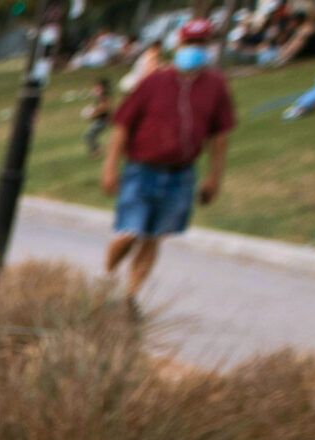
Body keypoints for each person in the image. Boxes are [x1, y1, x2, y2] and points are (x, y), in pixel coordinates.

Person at [102, 18, 236, 299]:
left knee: (153, 237)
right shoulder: (154, 81)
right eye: (190, 43)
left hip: (181, 173)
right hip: (143, 170)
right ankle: (108, 279)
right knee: (129, 231)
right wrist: (110, 167)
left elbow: (220, 136)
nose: (195, 49)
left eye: (201, 44)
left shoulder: (215, 86)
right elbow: (122, 125)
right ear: (179, 44)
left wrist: (214, 176)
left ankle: (130, 296)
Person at [83, 74, 116, 154]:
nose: (96, 88)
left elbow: (105, 108)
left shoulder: (104, 96)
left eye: (98, 86)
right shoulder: (101, 96)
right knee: (90, 135)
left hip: (103, 120)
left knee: (89, 135)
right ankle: (97, 150)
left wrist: (93, 114)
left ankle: (96, 151)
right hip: (101, 120)